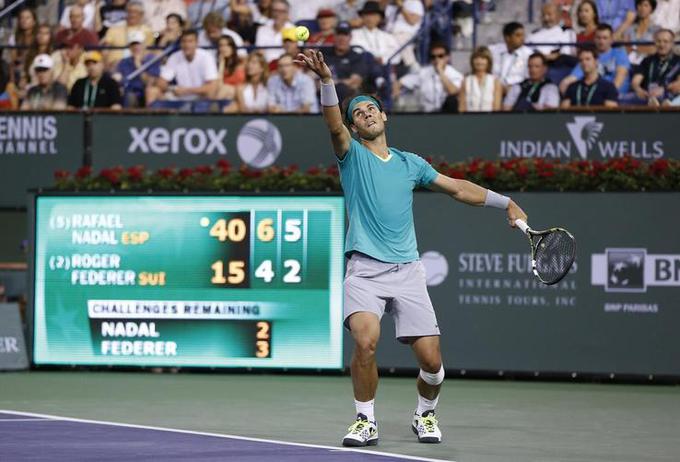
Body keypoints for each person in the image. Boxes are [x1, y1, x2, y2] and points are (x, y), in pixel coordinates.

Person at [294, 48, 527, 448]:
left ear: (384, 117)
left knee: (432, 364)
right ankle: (365, 420)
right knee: (366, 341)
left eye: (370, 109)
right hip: (365, 269)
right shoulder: (350, 155)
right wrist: (327, 81)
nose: (364, 114)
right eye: (357, 114)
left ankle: (425, 413)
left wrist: (504, 202)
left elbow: (457, 188)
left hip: (408, 271)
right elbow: (334, 127)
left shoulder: (410, 163)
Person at [145, 29, 219, 105]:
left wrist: (187, 91)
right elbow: (161, 82)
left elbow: (212, 86)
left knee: (211, 93)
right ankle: (150, 116)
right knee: (152, 91)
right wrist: (172, 89)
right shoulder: (175, 57)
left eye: (190, 41)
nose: (187, 45)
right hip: (178, 97)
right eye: (184, 41)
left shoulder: (206, 57)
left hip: (200, 97)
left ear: (197, 43)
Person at [559, 23, 630, 94]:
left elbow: (619, 79)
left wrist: (609, 96)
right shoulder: (588, 57)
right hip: (592, 96)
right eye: (598, 38)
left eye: (605, 38)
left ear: (611, 39)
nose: (601, 41)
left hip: (615, 96)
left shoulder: (620, 53)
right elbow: (569, 80)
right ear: (594, 39)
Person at [395, 42, 463, 112]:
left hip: (447, 114)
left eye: (440, 56)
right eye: (433, 57)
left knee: (451, 101)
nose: (436, 59)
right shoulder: (423, 72)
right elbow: (400, 82)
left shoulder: (455, 74)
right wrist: (397, 97)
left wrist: (440, 71)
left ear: (447, 57)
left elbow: (453, 91)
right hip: (427, 114)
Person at [630, 29, 680, 105]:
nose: (662, 45)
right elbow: (635, 82)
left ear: (672, 43)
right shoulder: (647, 60)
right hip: (647, 95)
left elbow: (678, 84)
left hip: (669, 94)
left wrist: (663, 89)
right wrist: (639, 90)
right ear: (654, 43)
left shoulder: (678, 61)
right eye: (658, 41)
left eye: (665, 41)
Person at [324, 21, 370, 103]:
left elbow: (355, 81)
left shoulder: (356, 56)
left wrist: (331, 83)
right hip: (324, 94)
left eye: (345, 35)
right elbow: (315, 78)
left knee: (342, 89)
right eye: (339, 34)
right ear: (334, 36)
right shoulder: (325, 54)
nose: (341, 38)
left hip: (347, 97)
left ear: (350, 37)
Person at [101, 1, 154, 69]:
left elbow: (148, 52)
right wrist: (106, 67)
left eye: (135, 12)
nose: (131, 14)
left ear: (141, 15)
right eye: (129, 11)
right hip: (114, 67)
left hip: (136, 67)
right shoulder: (114, 29)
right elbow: (105, 49)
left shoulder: (147, 31)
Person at [115, 30, 160, 107]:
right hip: (127, 92)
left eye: (138, 44)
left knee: (131, 97)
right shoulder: (124, 62)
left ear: (144, 45)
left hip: (143, 94)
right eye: (133, 44)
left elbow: (149, 82)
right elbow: (119, 78)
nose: (136, 47)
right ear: (129, 47)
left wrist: (138, 65)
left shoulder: (152, 60)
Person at [488, 22, 534, 93]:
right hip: (492, 88)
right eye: (518, 35)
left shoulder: (529, 54)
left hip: (515, 90)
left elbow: (528, 78)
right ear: (507, 38)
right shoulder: (492, 50)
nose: (522, 38)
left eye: (523, 35)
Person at [458, 46, 502, 112]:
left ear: (488, 61)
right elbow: (461, 107)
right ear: (472, 61)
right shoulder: (465, 81)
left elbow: (496, 108)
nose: (479, 61)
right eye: (476, 58)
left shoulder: (495, 81)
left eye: (483, 58)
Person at [619, 0, 659, 66]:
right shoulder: (630, 28)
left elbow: (654, 50)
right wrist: (644, 48)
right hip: (628, 64)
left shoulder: (656, 30)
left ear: (651, 9)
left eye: (646, 5)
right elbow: (625, 49)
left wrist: (633, 47)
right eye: (640, 5)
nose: (642, 8)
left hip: (648, 65)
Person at [22, 24, 54, 88]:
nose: (42, 36)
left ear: (51, 36)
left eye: (46, 33)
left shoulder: (54, 55)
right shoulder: (29, 54)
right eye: (40, 33)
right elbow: (25, 74)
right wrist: (23, 80)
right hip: (31, 87)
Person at [215, 35, 246, 100]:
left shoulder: (242, 61)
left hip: (242, 92)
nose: (224, 48)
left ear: (232, 47)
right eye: (221, 46)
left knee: (225, 89)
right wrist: (221, 64)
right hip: (227, 96)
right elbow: (218, 86)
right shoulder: (218, 66)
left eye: (227, 45)